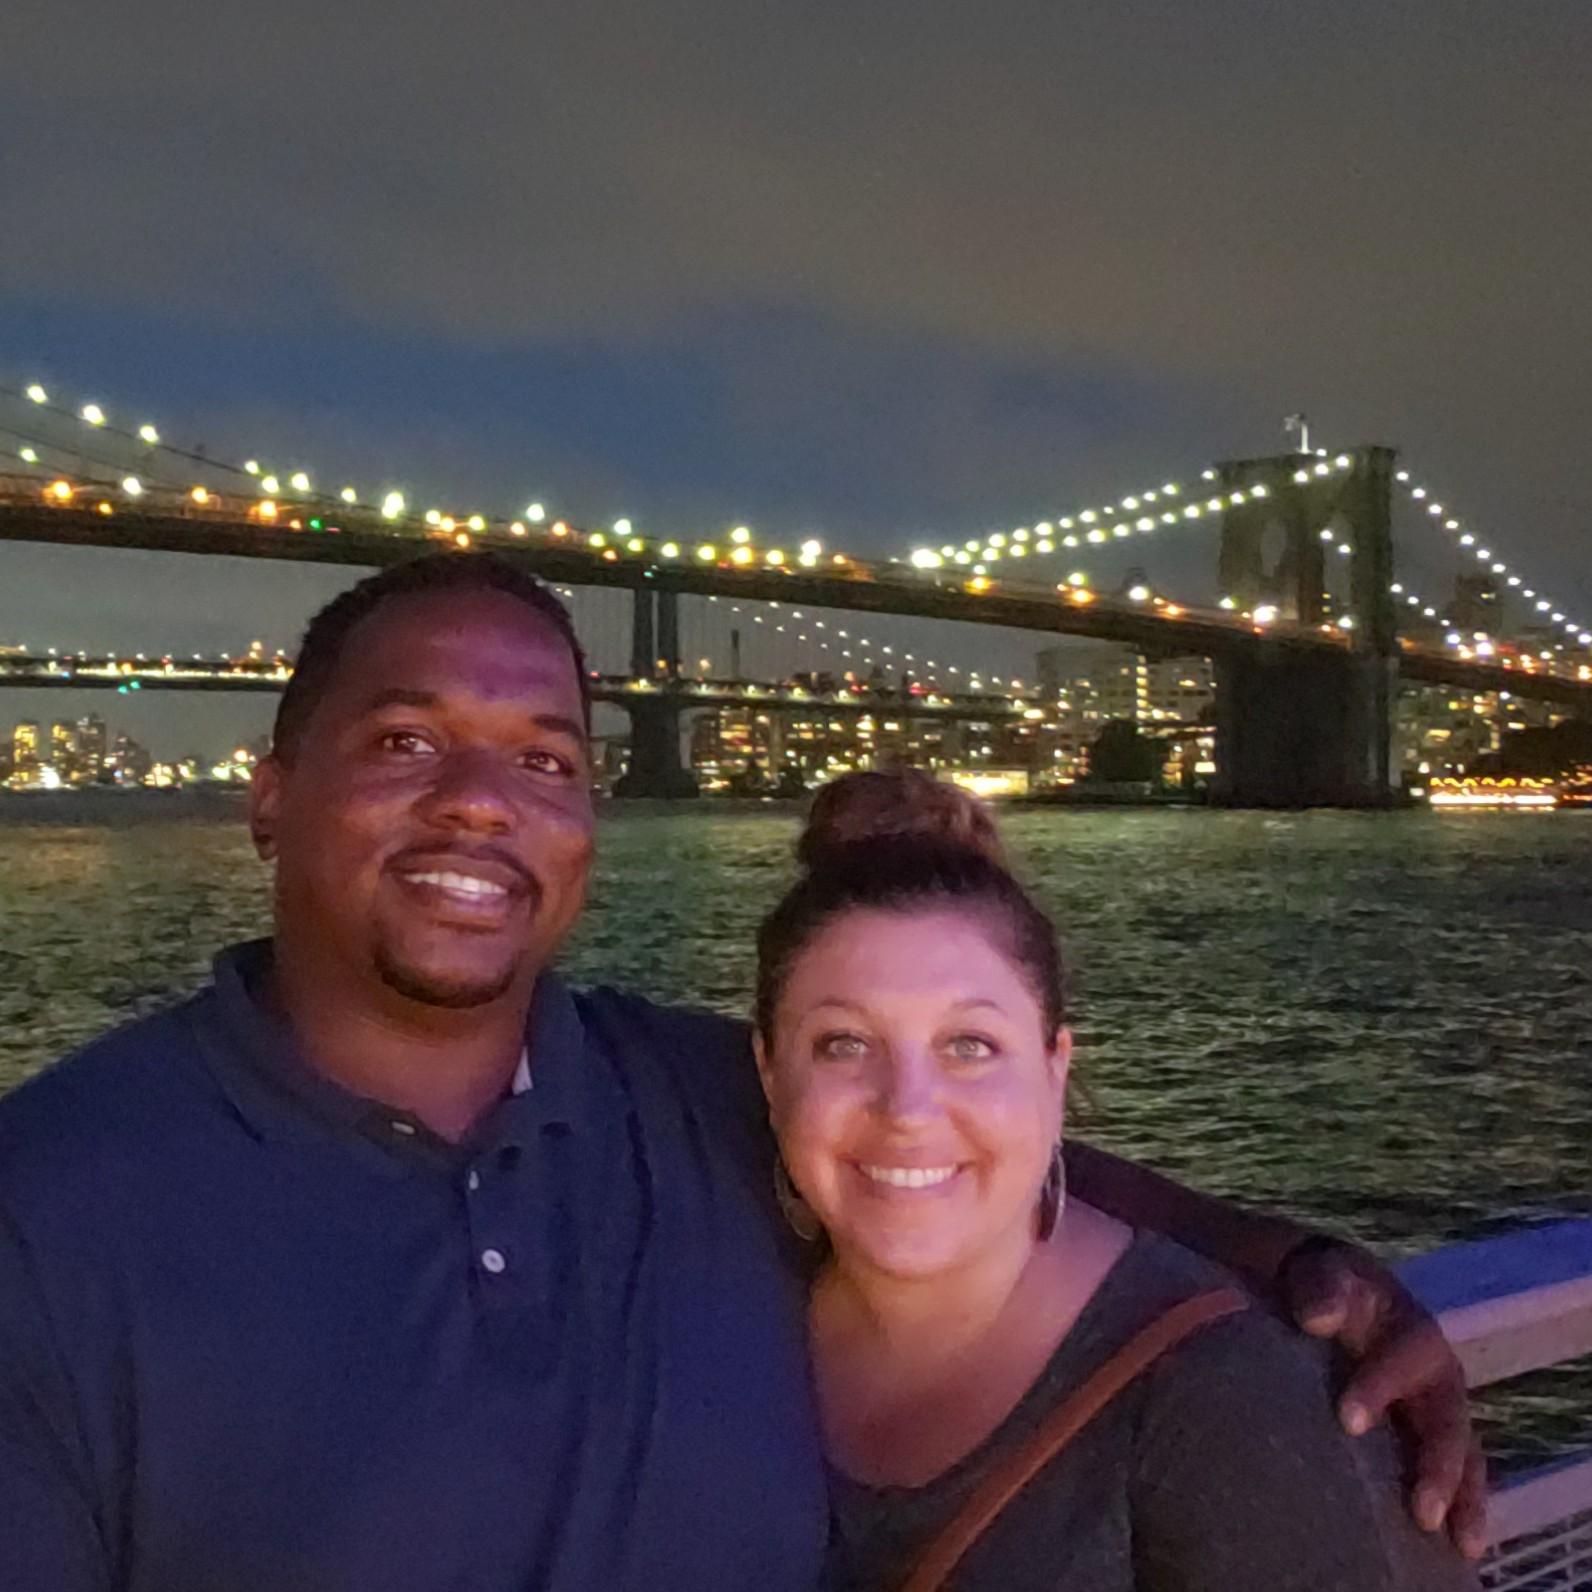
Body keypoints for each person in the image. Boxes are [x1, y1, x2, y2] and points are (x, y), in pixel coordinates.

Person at [0, 554, 1481, 1590]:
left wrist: (1297, 1262)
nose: (480, 805)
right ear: (270, 796)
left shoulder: (690, 1096)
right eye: (403, 740)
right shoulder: (47, 1216)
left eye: (547, 761)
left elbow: (944, 1153)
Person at [753, 770, 1480, 1591]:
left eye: (971, 1045)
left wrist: (1281, 1255)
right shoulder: (717, 1315)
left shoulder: (1224, 1409)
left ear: (1055, 1070)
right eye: (843, 1044)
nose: (908, 1109)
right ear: (767, 1071)